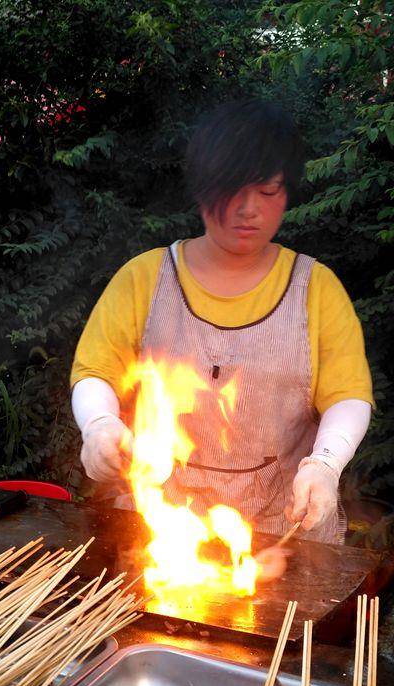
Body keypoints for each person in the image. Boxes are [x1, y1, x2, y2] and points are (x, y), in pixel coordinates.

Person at [69, 99, 374, 545]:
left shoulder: (317, 288)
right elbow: (95, 371)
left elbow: (347, 395)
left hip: (281, 534)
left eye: (268, 190)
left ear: (286, 192)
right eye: (231, 190)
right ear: (201, 190)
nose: (248, 209)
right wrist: (98, 426)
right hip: (160, 535)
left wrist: (325, 464)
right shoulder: (145, 278)